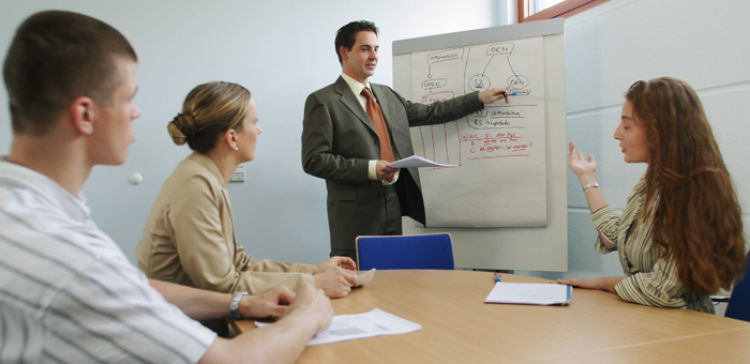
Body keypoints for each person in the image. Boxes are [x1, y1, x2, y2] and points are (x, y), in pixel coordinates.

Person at [0, 10, 332, 363]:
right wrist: (308, 316)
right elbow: (233, 361)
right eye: (128, 97)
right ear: (85, 114)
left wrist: (241, 302)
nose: (137, 112)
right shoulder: (71, 257)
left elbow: (132, 286)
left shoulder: (29, 213)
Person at [137, 82, 357, 334]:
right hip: (177, 333)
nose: (259, 130)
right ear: (232, 137)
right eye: (254, 122)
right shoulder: (196, 185)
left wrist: (315, 269)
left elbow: (238, 263)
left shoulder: (205, 176)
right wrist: (311, 283)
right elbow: (221, 287)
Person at [301, 20, 509, 260]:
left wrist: (478, 98)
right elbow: (314, 160)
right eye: (365, 48)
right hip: (354, 214)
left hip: (393, 202)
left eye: (376, 49)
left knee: (392, 279)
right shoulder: (323, 101)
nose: (374, 56)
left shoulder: (386, 95)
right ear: (344, 52)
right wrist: (369, 169)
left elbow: (430, 113)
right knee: (356, 283)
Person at [559, 77, 746, 313]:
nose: (617, 134)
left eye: (627, 126)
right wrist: (586, 177)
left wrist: (602, 283)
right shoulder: (652, 182)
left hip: (685, 329)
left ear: (660, 131)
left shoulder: (692, 194)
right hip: (647, 319)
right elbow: (615, 237)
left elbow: (661, 290)